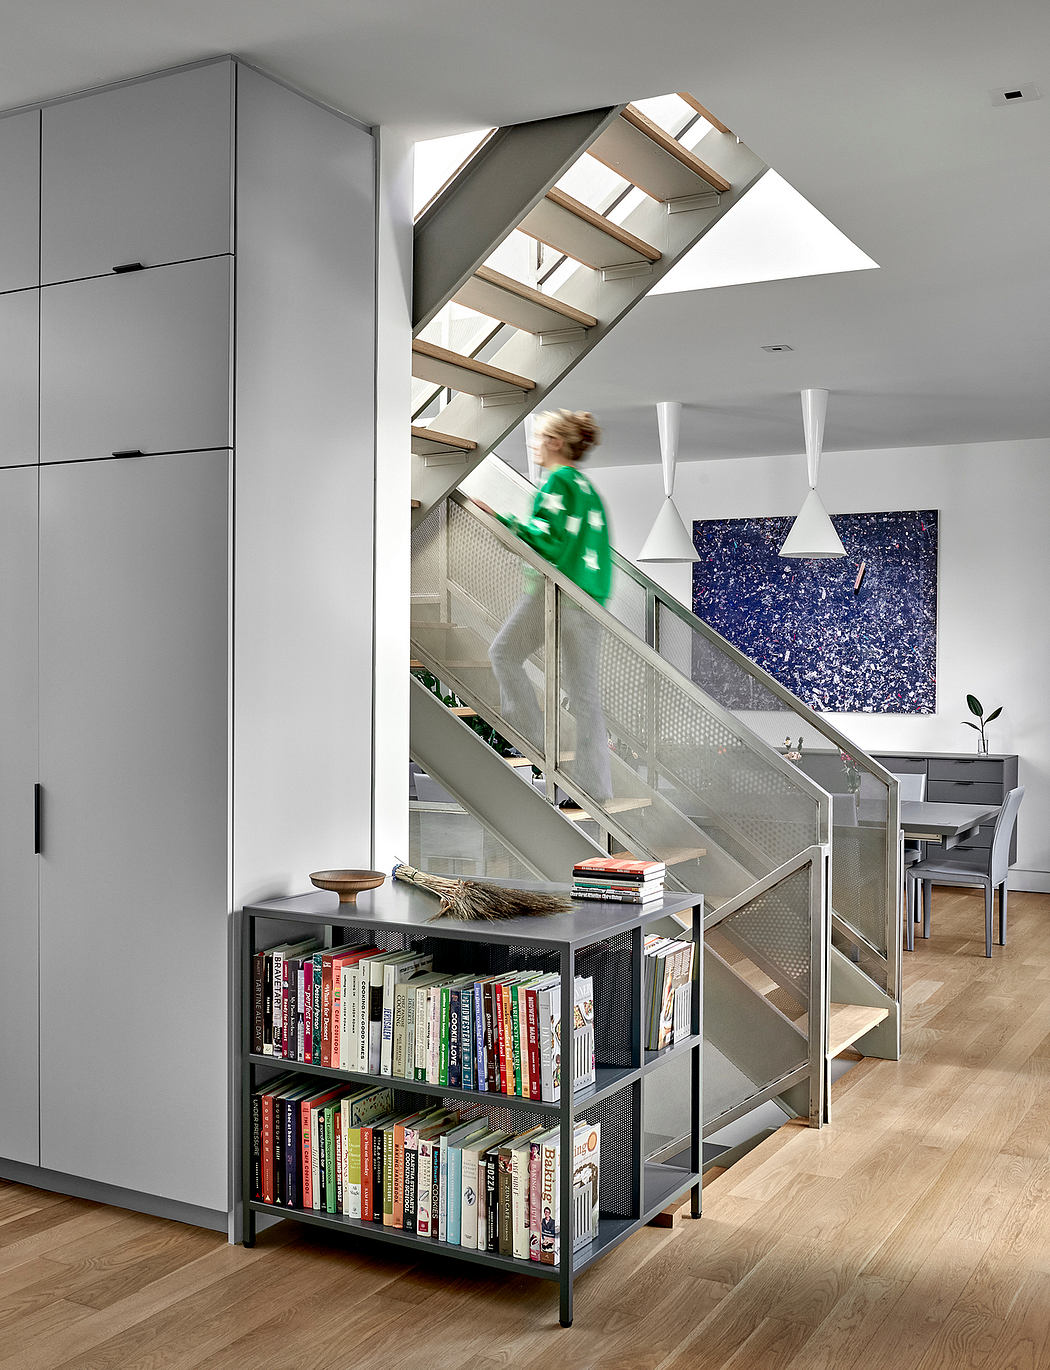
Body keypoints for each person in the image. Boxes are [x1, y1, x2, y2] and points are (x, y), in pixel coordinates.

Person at [472, 409, 613, 803]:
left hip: (554, 593)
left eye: (538, 438)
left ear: (555, 442)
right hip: (587, 600)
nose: (535, 445)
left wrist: (502, 520)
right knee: (584, 695)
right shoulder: (586, 488)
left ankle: (535, 742)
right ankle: (594, 785)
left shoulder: (558, 480)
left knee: (503, 654)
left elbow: (547, 539)